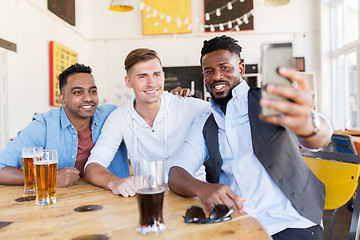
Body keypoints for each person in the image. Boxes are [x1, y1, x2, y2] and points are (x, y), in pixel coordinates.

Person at [168, 35, 332, 239]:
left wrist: (309, 125)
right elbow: (176, 174)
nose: (217, 76)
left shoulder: (269, 101)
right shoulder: (205, 121)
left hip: (291, 221)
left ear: (241, 69)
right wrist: (202, 188)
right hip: (237, 224)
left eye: (225, 67)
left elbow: (319, 138)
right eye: (209, 71)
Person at [84, 48, 211, 197]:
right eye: (142, 76)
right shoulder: (119, 117)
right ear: (128, 82)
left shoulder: (189, 106)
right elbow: (92, 166)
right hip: (148, 197)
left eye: (157, 75)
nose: (152, 83)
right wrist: (114, 182)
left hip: (192, 197)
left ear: (163, 76)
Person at [0, 64, 129, 187]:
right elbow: (1, 168)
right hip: (64, 203)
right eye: (78, 92)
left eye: (93, 91)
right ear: (62, 99)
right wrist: (48, 177)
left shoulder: (111, 115)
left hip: (116, 197)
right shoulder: (44, 126)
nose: (88, 98)